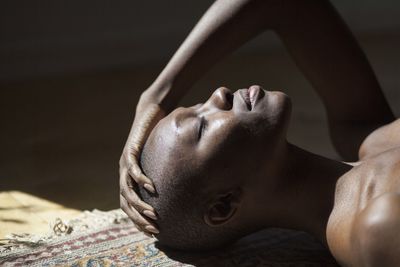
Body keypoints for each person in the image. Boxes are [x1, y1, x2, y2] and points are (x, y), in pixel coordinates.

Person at [119, 0, 399, 266]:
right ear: (224, 206)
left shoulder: (363, 132)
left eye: (199, 104)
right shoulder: (378, 228)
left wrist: (156, 97)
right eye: (201, 127)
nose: (219, 94)